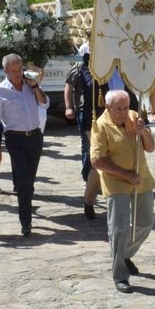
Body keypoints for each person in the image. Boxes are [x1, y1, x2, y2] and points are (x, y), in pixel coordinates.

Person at [91, 90, 155, 294]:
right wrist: (126, 175)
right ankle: (120, 275)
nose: (124, 112)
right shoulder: (100, 125)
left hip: (141, 178)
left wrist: (144, 131)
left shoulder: (134, 117)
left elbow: (151, 147)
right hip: (116, 182)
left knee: (145, 223)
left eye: (126, 107)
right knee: (119, 228)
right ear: (108, 107)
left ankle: (124, 253)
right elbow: (97, 161)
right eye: (119, 109)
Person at [0, 54, 48, 237]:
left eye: (19, 70)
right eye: (13, 71)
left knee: (29, 181)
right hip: (16, 140)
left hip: (35, 137)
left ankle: (26, 211)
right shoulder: (0, 91)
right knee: (23, 182)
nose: (17, 74)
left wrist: (36, 86)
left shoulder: (30, 85)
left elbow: (44, 104)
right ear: (5, 71)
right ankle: (26, 222)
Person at [64, 52, 99, 219]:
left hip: (106, 113)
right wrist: (69, 106)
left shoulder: (110, 63)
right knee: (89, 148)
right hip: (85, 113)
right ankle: (88, 179)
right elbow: (69, 86)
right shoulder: (79, 67)